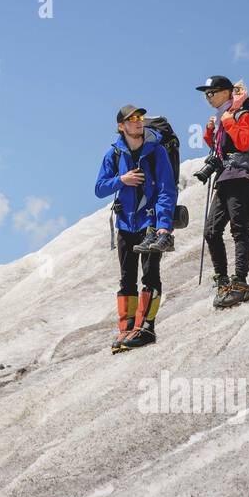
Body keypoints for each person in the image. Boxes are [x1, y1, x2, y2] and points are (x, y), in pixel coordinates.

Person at [94, 105, 178, 350]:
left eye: (139, 118)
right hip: (125, 224)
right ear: (122, 126)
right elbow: (99, 188)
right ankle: (126, 330)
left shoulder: (157, 151)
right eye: (131, 119)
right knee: (126, 279)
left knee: (150, 275)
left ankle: (146, 328)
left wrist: (164, 226)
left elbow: (167, 190)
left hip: (150, 224)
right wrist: (122, 180)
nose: (138, 122)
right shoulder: (114, 154)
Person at [196, 75, 249, 308]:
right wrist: (211, 130)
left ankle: (240, 284)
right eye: (206, 94)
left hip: (241, 176)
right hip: (225, 177)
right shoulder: (224, 115)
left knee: (239, 229)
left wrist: (228, 120)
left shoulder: (241, 113)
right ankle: (223, 281)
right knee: (211, 231)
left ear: (226, 92)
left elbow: (243, 143)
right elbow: (218, 148)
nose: (207, 97)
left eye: (211, 93)